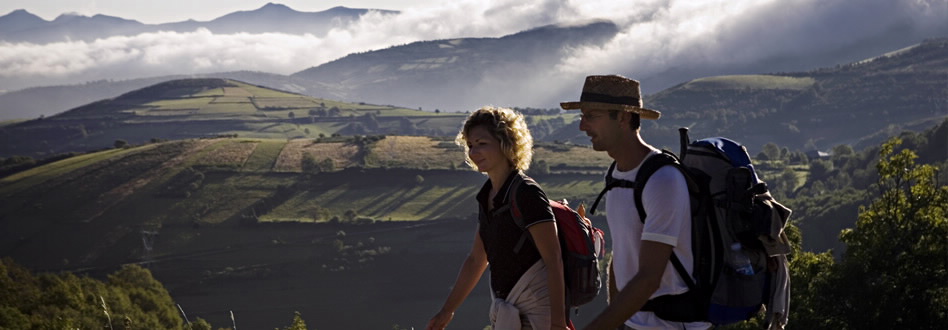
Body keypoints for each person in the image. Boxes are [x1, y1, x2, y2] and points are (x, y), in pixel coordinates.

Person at [560, 75, 711, 330]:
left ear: (623, 117)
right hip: (636, 323)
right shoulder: (618, 174)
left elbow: (649, 277)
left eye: (591, 116)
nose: (582, 126)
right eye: (582, 116)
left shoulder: (662, 180)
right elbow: (621, 255)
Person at [427, 106, 570, 330]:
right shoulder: (487, 196)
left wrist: (558, 323)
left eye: (482, 144)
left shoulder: (527, 193)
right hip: (507, 309)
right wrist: (447, 311)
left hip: (538, 313)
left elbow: (554, 260)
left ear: (507, 143)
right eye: (471, 145)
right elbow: (476, 259)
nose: (474, 153)